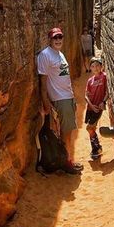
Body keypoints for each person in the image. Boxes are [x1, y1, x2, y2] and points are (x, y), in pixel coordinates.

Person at [37, 27, 83, 174]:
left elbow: (65, 79)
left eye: (60, 37)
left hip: (67, 98)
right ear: (50, 39)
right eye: (55, 38)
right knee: (66, 132)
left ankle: (66, 159)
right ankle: (66, 162)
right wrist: (46, 103)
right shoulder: (45, 55)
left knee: (67, 131)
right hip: (59, 99)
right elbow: (42, 83)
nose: (58, 40)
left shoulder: (60, 54)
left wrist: (73, 98)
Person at [84, 56, 108, 159]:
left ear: (101, 66)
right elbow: (86, 95)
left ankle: (97, 148)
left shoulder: (104, 77)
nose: (96, 68)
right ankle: (96, 149)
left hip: (98, 107)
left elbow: (107, 91)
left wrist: (103, 102)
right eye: (93, 66)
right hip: (91, 108)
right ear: (91, 68)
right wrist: (90, 105)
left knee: (89, 128)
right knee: (91, 128)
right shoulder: (90, 81)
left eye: (97, 65)